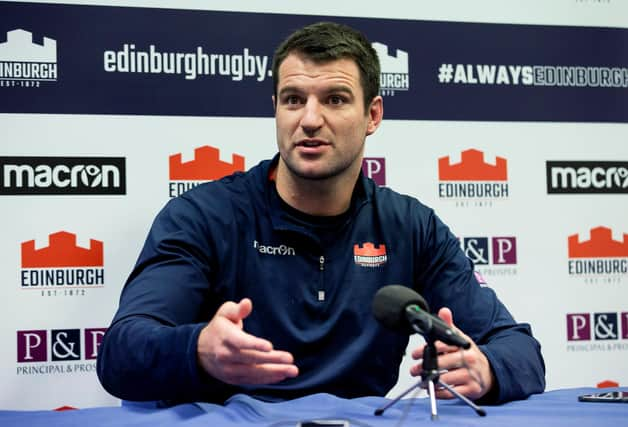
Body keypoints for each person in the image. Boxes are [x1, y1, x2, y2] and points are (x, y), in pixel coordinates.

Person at [97, 21, 545, 406]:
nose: (309, 120)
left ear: (372, 115)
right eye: (293, 99)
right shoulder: (203, 216)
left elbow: (521, 350)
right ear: (274, 108)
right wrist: (196, 350)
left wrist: (487, 369)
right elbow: (119, 353)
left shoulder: (412, 227)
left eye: (334, 99)